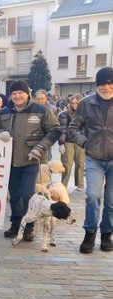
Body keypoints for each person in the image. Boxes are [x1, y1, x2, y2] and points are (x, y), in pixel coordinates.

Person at [0, 80, 61, 241]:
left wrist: (40, 147)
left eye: (20, 93)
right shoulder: (3, 112)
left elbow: (55, 130)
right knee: (14, 195)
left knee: (27, 194)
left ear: (27, 93)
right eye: (13, 93)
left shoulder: (41, 110)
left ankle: (29, 225)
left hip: (31, 159)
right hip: (10, 161)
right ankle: (16, 224)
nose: (17, 96)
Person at [67, 66, 113, 254]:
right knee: (93, 196)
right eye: (102, 84)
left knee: (111, 201)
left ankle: (107, 233)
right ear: (97, 85)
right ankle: (90, 232)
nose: (106, 87)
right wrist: (85, 143)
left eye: (109, 83)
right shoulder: (87, 103)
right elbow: (73, 128)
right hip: (94, 158)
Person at [58, 93, 85, 190]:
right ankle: (63, 185)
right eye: (72, 103)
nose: (74, 105)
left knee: (80, 164)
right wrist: (61, 143)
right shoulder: (64, 114)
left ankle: (80, 184)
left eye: (77, 103)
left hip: (80, 142)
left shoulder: (85, 113)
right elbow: (62, 130)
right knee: (67, 165)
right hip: (68, 141)